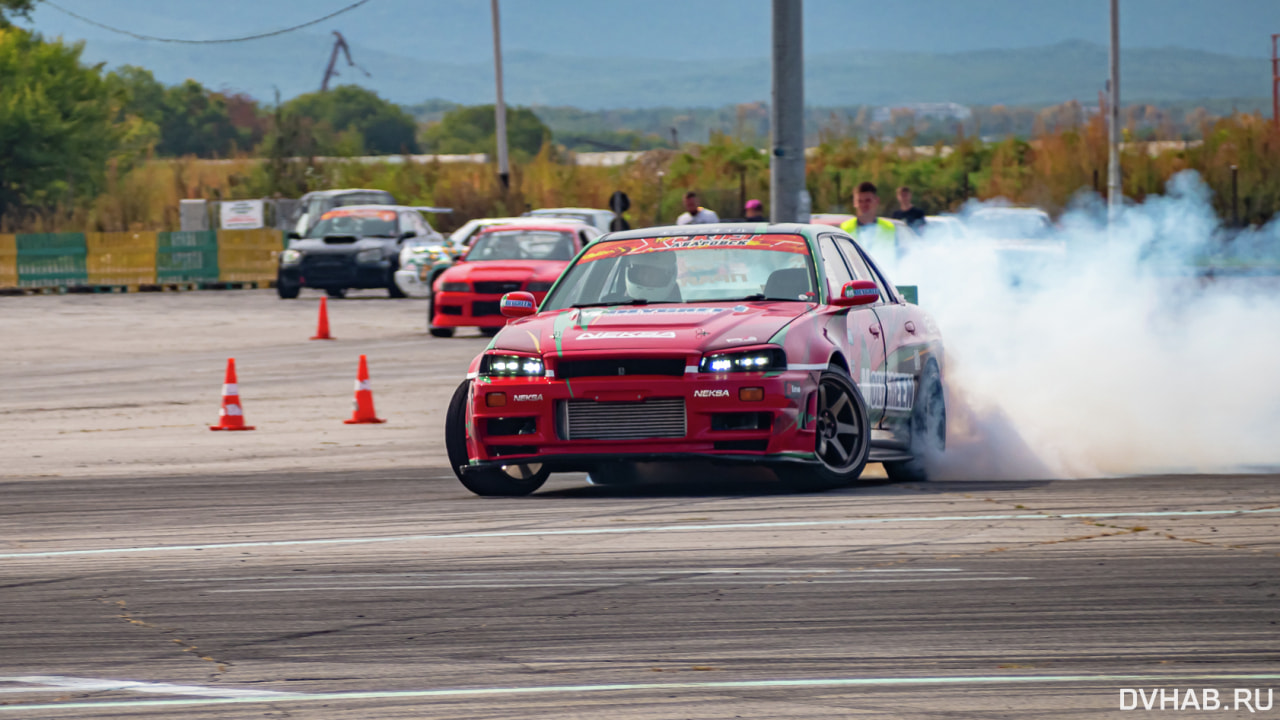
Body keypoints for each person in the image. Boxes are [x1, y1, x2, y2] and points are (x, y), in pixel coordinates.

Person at [839, 182, 897, 261]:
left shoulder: (889, 227)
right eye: (860, 201)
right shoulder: (845, 228)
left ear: (877, 201)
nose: (863, 204)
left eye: (867, 200)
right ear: (854, 203)